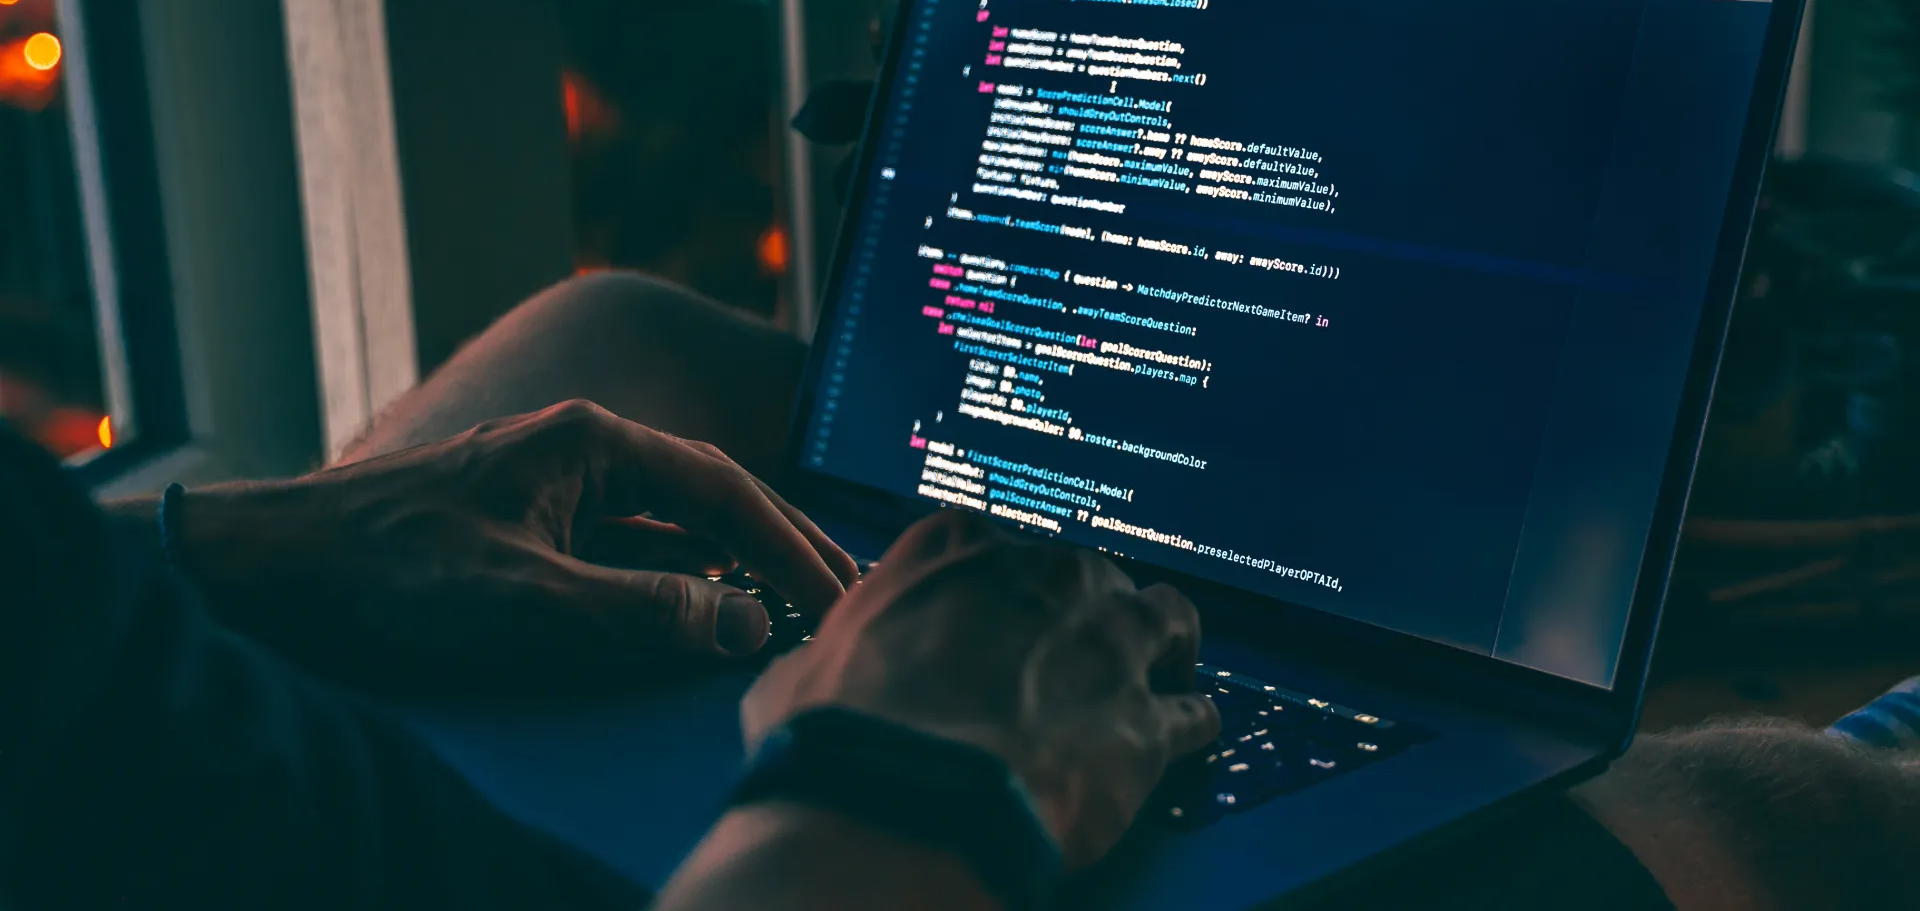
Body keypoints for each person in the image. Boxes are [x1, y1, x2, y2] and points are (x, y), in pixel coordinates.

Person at [5, 270, 1919, 910]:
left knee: (616, 338)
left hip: (175, 751)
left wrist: (215, 546)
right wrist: (911, 773)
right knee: (1775, 804)